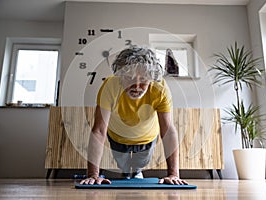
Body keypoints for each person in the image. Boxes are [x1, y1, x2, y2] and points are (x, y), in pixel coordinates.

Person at [80, 46, 188, 185]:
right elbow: (99, 130)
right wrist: (93, 175)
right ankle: (127, 172)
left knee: (140, 163)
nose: (136, 86)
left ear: (151, 79)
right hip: (117, 136)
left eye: (143, 80)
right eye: (129, 78)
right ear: (120, 77)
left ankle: (136, 171)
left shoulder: (160, 89)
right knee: (123, 165)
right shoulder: (110, 85)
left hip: (147, 137)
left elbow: (168, 130)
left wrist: (174, 175)